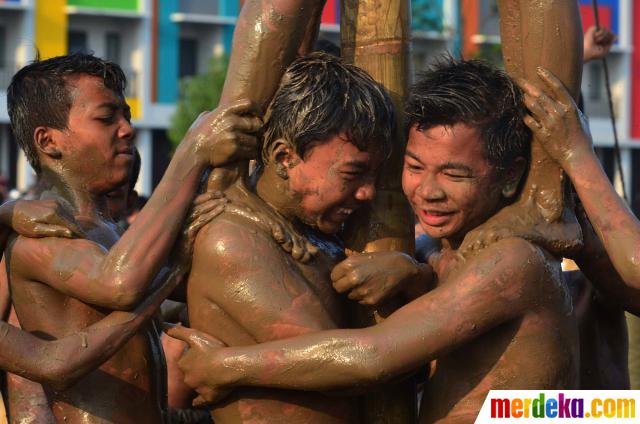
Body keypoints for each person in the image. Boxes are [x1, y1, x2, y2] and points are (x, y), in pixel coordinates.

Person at [168, 58, 580, 422]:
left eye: (454, 175)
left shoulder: (513, 258)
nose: (428, 190)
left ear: (510, 177)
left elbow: (372, 358)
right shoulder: (432, 256)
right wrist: (414, 274)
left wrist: (226, 366)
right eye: (415, 166)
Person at [2, 53, 260, 423]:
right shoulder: (42, 234)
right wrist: (192, 153)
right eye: (107, 118)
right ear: (48, 141)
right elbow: (121, 285)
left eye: (126, 115)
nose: (126, 129)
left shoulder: (109, 230)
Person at [184, 52, 395, 423]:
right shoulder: (233, 238)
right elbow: (350, 367)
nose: (368, 194)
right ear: (285, 157)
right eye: (353, 174)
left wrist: (413, 273)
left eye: (375, 177)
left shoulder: (322, 232)